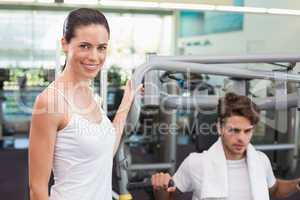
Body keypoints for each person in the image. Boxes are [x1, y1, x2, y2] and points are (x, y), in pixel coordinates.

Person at [29, 8, 142, 200]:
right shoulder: (49, 102)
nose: (94, 57)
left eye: (101, 47)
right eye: (84, 46)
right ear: (64, 44)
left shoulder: (91, 95)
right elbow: (37, 188)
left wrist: (126, 102)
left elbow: (104, 152)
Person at [152, 92, 300, 200]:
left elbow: (274, 190)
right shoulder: (196, 162)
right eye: (234, 130)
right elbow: (168, 197)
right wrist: (161, 187)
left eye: (247, 131)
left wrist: (297, 183)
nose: (241, 138)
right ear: (219, 128)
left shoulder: (261, 160)